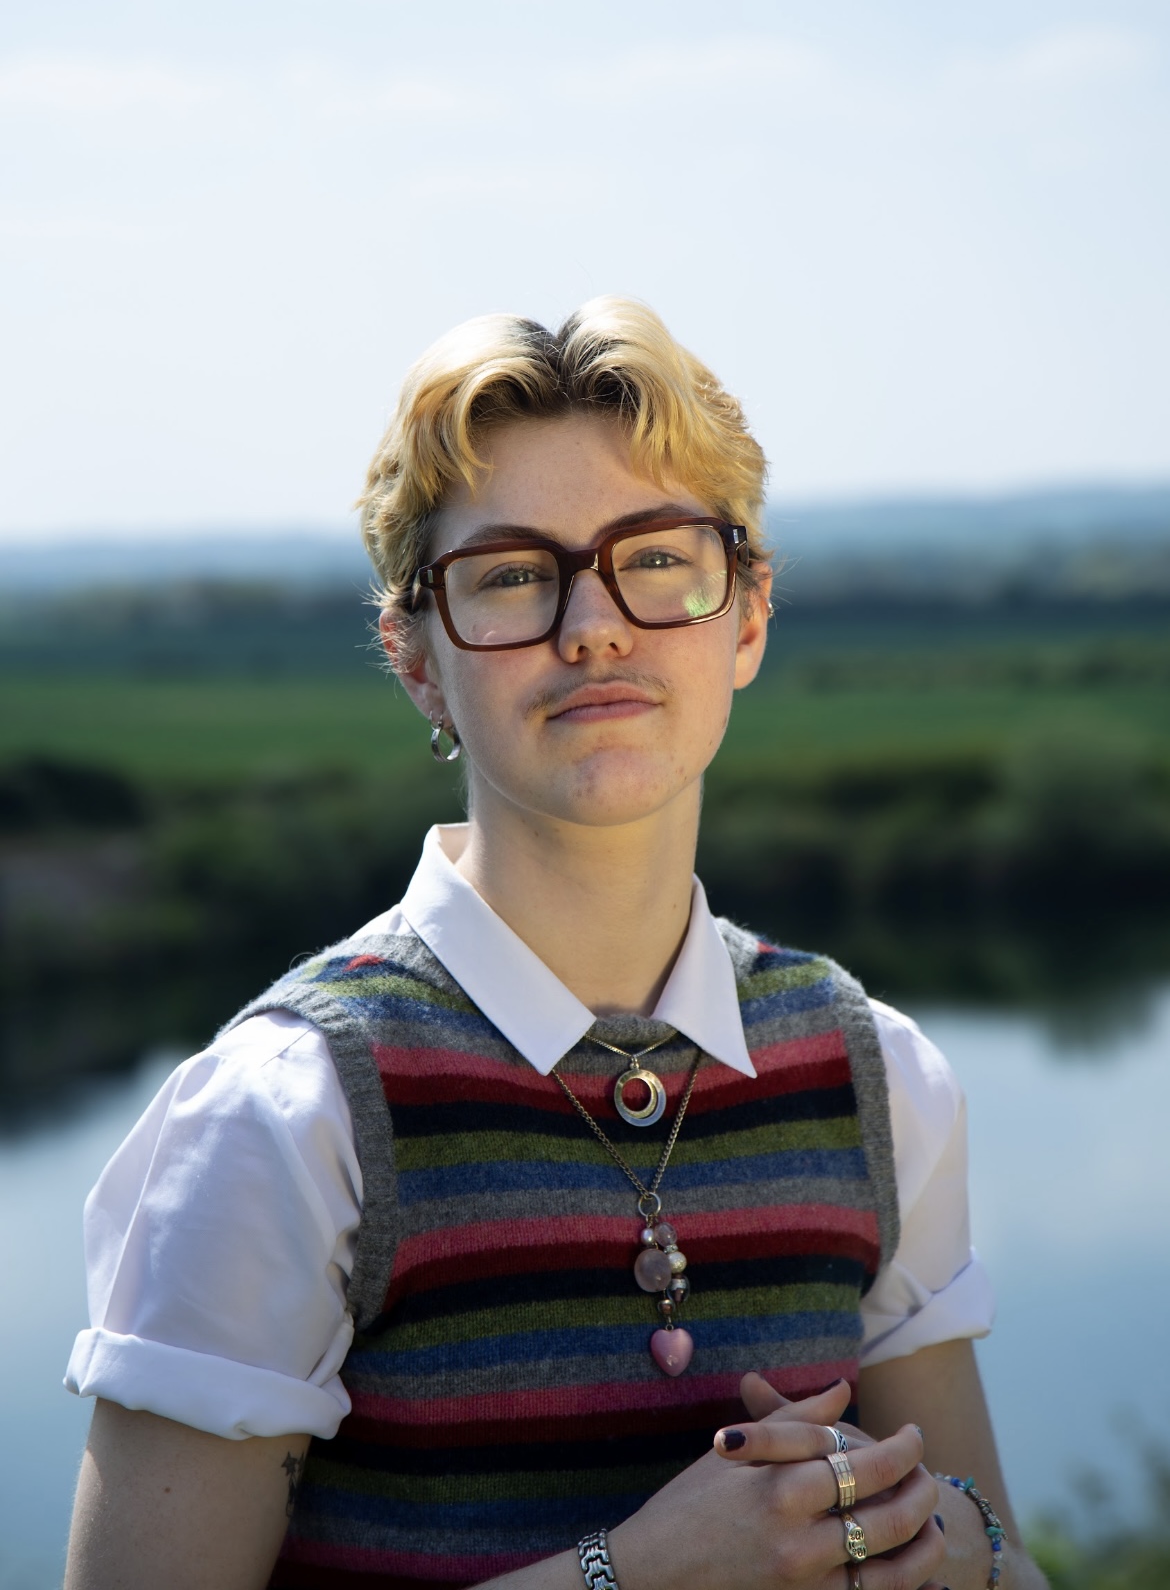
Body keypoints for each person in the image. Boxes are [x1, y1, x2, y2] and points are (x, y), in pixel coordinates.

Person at [63, 298, 1045, 1590]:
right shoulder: (284, 1117)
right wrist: (636, 1573)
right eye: (513, 575)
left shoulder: (873, 1076)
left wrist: (945, 1542)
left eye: (657, 556)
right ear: (417, 659)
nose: (593, 624)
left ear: (747, 617)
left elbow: (995, 1551)